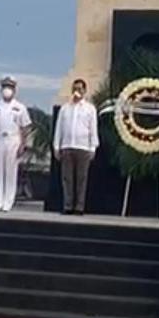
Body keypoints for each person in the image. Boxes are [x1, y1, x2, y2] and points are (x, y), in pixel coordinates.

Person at [0, 76, 32, 212]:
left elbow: (24, 128)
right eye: (5, 87)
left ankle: (8, 202)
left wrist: (23, 144)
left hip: (13, 140)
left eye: (10, 87)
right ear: (1, 89)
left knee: (11, 172)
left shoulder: (20, 107)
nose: (7, 90)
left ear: (14, 90)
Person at [53, 78, 99, 215]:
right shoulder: (65, 108)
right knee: (67, 178)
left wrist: (93, 147)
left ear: (84, 91)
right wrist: (57, 146)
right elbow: (59, 128)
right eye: (74, 89)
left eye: (79, 89)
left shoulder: (90, 109)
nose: (76, 91)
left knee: (81, 179)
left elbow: (93, 129)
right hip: (67, 146)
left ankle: (79, 207)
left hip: (83, 147)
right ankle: (68, 206)